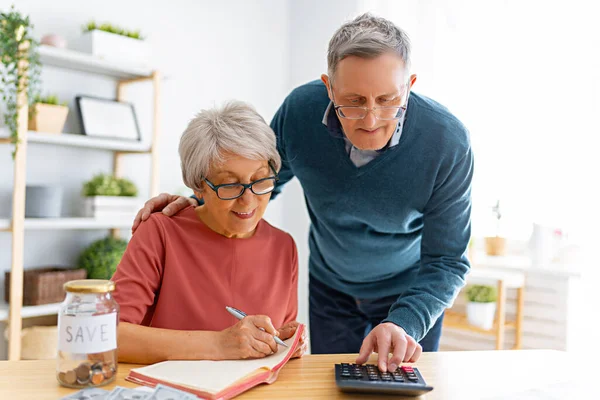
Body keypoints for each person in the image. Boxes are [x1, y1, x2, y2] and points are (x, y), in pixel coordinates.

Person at [133, 13, 473, 372]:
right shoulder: (300, 112)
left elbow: (447, 261)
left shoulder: (446, 142)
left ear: (410, 85)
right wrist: (198, 201)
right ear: (329, 87)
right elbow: (259, 181)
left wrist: (405, 323)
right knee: (330, 388)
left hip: (409, 292)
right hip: (331, 286)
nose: (371, 120)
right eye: (353, 101)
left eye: (388, 100)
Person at [112, 101, 307, 364]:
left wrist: (285, 344)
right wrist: (219, 344)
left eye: (260, 180)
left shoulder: (284, 247)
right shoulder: (160, 233)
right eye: (229, 184)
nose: (248, 201)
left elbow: (276, 345)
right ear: (198, 185)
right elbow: (109, 335)